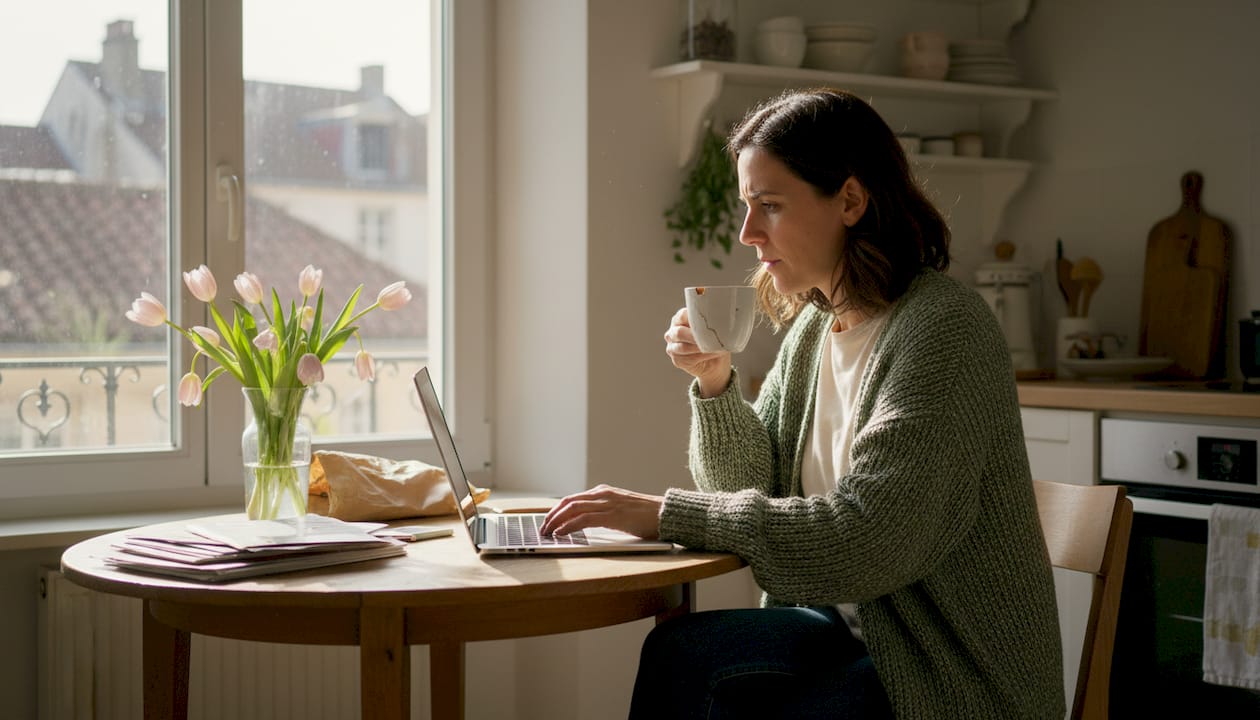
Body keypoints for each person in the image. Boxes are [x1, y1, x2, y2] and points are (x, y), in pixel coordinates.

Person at [540, 87, 1064, 719]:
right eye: (746, 206)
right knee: (680, 652)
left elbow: (866, 539)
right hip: (843, 633)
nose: (747, 233)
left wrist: (664, 515)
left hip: (945, 674)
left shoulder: (944, 330)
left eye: (770, 206)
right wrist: (714, 382)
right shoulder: (815, 331)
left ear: (849, 198)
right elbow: (748, 484)